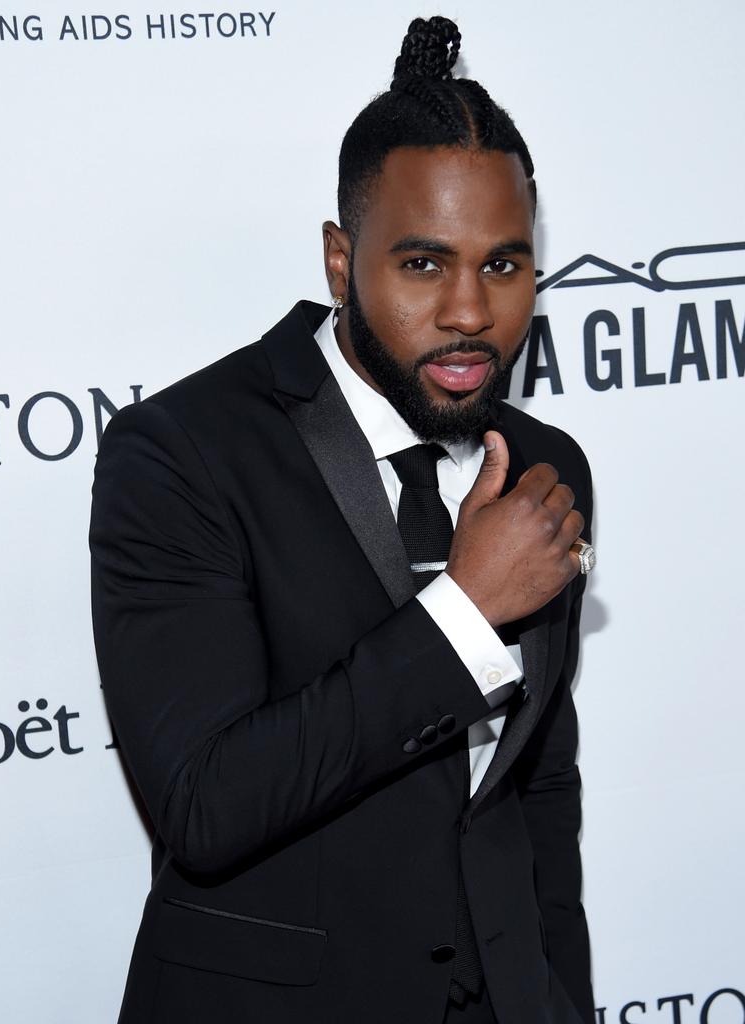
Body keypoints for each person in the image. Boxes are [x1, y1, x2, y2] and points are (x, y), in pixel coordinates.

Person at [90, 15, 596, 1024]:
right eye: (422, 264)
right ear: (339, 260)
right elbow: (206, 804)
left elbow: (535, 785)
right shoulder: (182, 452)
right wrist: (464, 613)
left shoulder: (545, 464)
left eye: (504, 265)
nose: (469, 311)